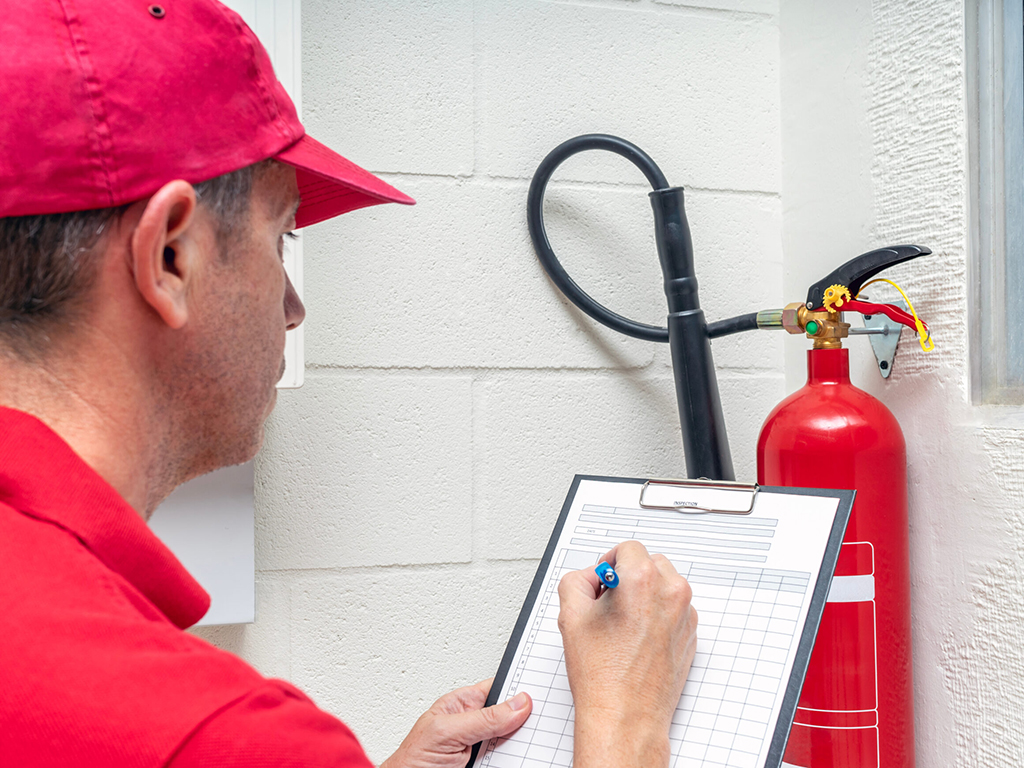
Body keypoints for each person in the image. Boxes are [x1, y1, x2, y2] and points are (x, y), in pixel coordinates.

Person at [0, 1, 698, 767]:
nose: (294, 310)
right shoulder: (215, 733)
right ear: (171, 256)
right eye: (282, 237)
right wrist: (627, 722)